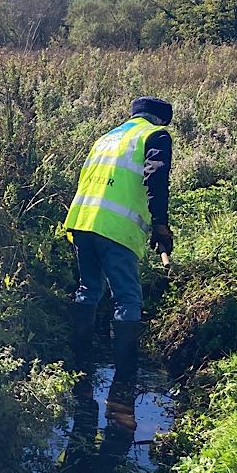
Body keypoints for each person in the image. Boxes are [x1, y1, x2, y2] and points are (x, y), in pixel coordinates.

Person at [63, 96, 173, 385]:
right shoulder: (155, 136)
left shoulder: (107, 138)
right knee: (127, 299)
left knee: (89, 290)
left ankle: (81, 366)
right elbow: (156, 178)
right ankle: (125, 378)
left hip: (82, 222)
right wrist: (160, 225)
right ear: (161, 119)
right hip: (115, 228)